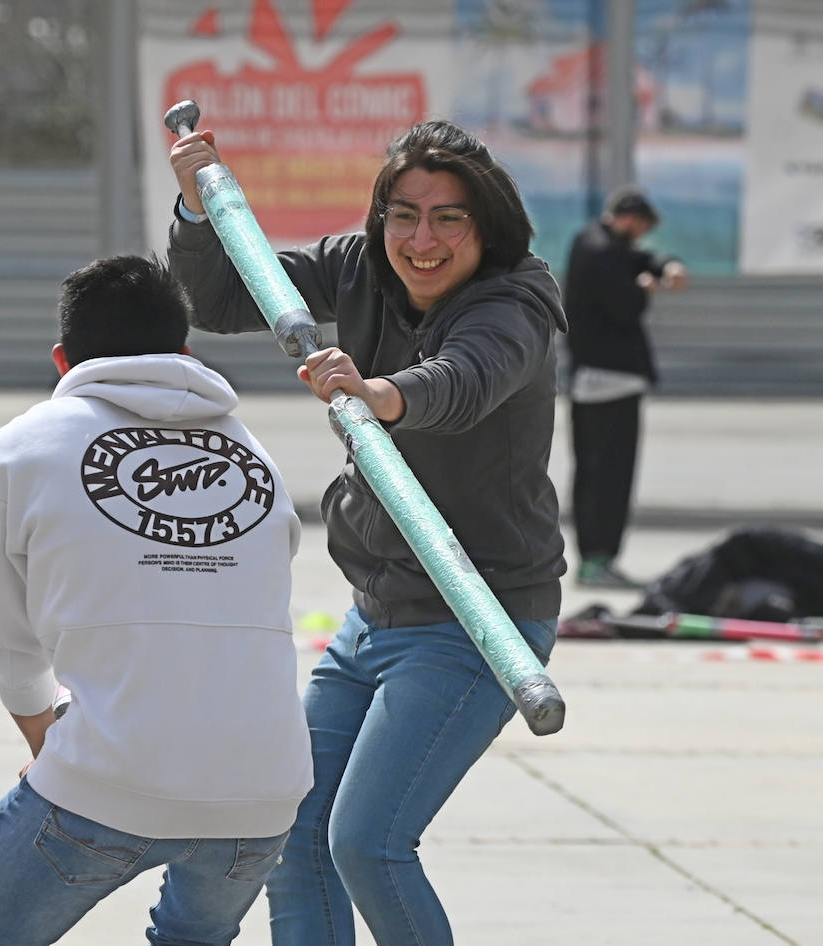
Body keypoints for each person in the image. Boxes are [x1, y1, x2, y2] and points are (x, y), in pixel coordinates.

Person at [167, 121, 565, 945]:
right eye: (404, 215)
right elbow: (222, 300)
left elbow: (466, 380)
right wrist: (200, 209)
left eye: (449, 218)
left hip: (476, 622)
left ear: (484, 226)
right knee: (295, 834)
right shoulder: (358, 266)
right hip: (374, 613)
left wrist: (380, 392)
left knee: (368, 843)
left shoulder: (515, 298)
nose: (423, 240)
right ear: (380, 217)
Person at [0, 255, 313, 946]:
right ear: (186, 354)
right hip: (263, 793)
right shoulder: (254, 455)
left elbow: (3, 639)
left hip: (113, 778)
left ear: (61, 359)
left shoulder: (20, 450)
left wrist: (47, 738)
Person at [561, 185, 688, 589]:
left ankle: (596, 558)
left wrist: (664, 264)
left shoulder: (596, 242)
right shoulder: (602, 253)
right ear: (630, 220)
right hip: (608, 381)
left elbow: (640, 257)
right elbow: (625, 305)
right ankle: (599, 558)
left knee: (595, 472)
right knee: (609, 476)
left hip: (599, 381)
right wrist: (643, 289)